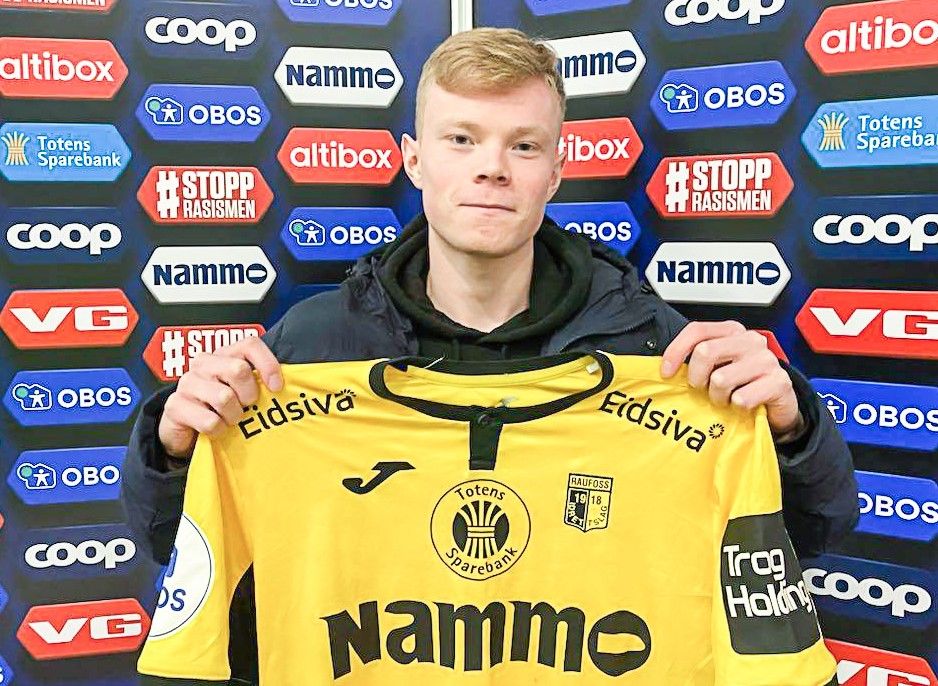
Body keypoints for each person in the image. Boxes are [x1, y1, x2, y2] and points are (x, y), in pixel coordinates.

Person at [121, 26, 857, 682]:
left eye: (523, 145)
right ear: (414, 160)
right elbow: (184, 551)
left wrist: (788, 432)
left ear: (555, 172)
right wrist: (176, 454)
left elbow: (811, 532)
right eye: (462, 139)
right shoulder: (310, 352)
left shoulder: (655, 348)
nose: (492, 168)